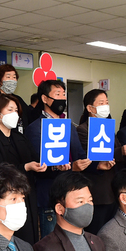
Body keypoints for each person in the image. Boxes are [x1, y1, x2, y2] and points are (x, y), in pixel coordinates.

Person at [0, 94, 46, 244]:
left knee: (29, 239)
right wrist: (26, 167)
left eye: (16, 111)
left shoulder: (20, 137)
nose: (15, 114)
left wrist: (46, 164)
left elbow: (34, 158)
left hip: (26, 194)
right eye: (10, 109)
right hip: (3, 197)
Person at [24, 79, 79, 239]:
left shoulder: (69, 126)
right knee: (52, 240)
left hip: (71, 193)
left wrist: (81, 164)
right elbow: (36, 164)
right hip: (49, 195)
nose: (62, 98)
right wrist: (55, 167)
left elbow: (78, 155)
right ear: (44, 99)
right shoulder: (35, 128)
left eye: (63, 95)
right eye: (57, 94)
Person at [77, 89, 126, 235]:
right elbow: (90, 157)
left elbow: (116, 151)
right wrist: (120, 151)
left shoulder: (109, 127)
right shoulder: (83, 130)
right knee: (97, 232)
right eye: (101, 103)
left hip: (112, 188)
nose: (105, 106)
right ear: (90, 108)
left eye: (107, 103)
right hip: (98, 190)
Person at [0, 64, 32, 129]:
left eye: (14, 77)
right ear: (0, 81)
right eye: (8, 77)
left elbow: (28, 117)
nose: (12, 80)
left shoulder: (18, 99)